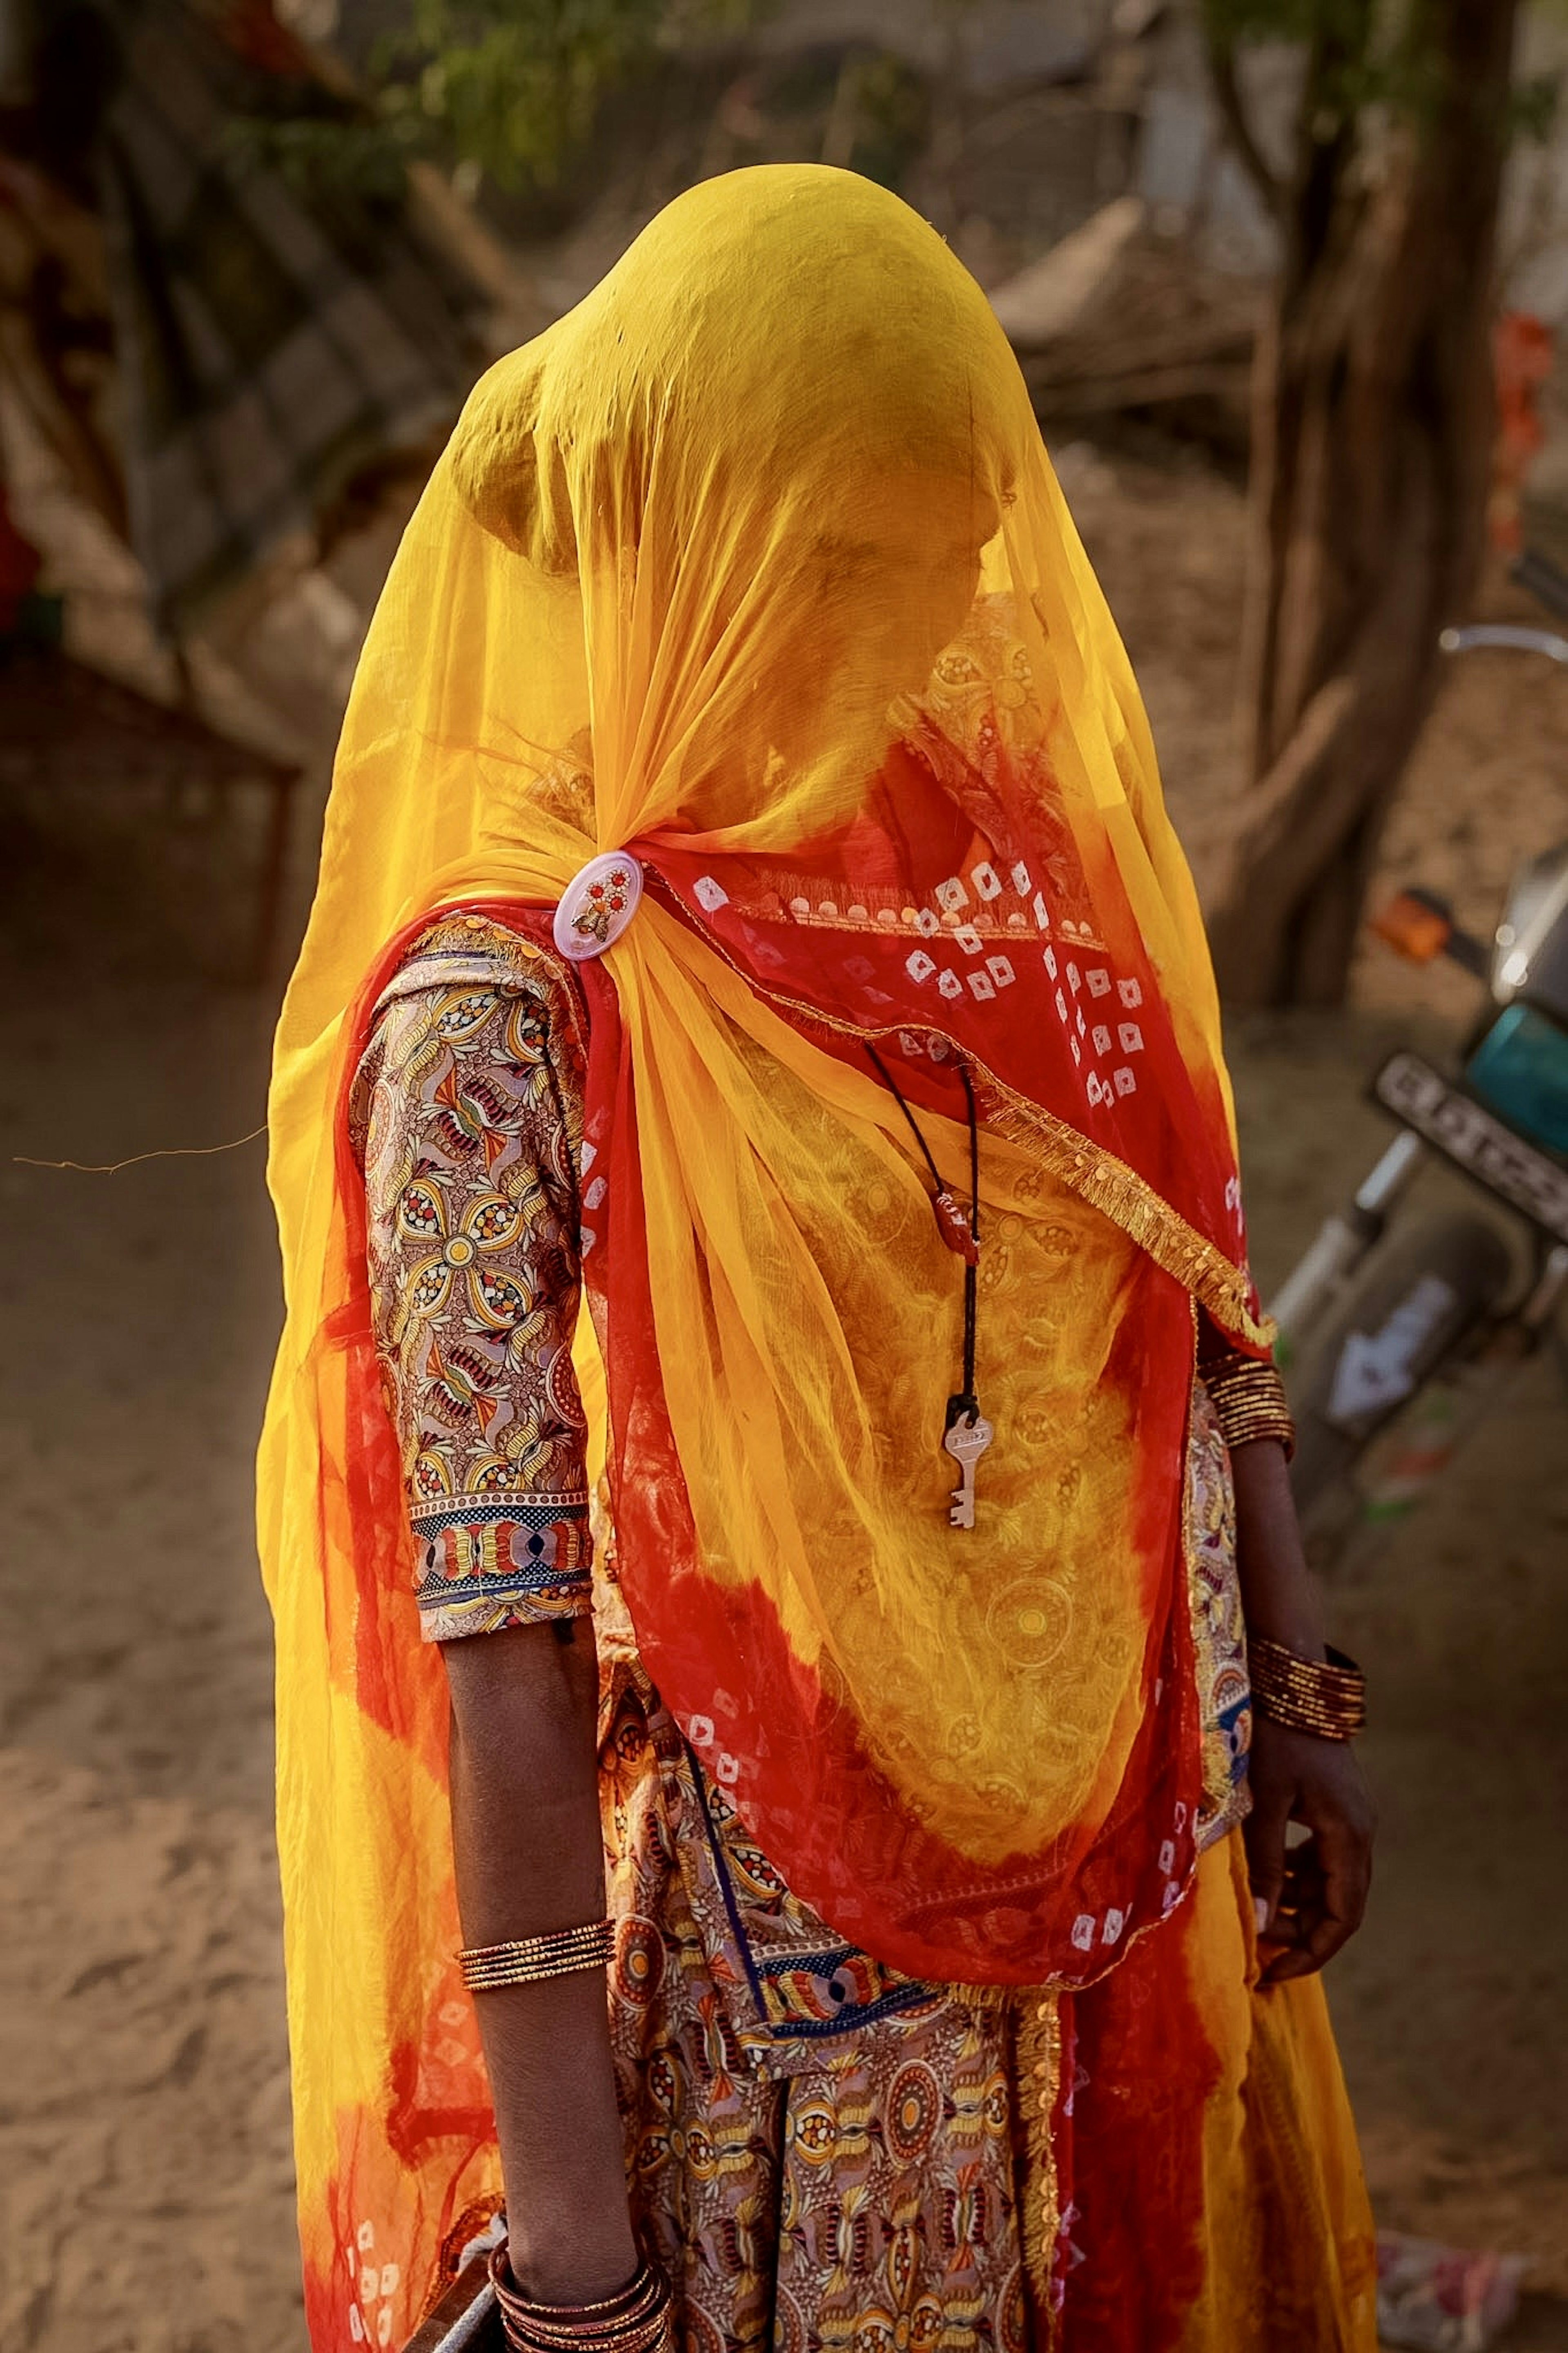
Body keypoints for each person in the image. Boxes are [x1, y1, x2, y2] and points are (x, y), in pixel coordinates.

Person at [260, 166, 1378, 2353]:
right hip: (775, 2050)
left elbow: (1192, 1293)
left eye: (939, 572)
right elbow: (493, 1628)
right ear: (688, 547)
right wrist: (579, 2257)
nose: (900, 638)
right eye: (839, 566)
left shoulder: (997, 902)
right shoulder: (510, 1019)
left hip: (1128, 1911)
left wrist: (1307, 1689)